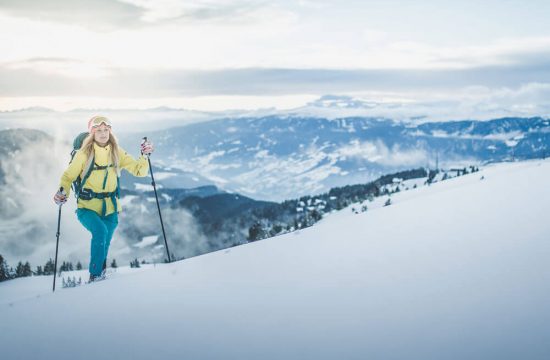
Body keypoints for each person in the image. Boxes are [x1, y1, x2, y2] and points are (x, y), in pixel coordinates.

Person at [53, 115, 154, 282]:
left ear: (110, 131)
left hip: (110, 206)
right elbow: (68, 176)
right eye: (98, 130)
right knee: (100, 232)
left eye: (106, 130)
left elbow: (139, 171)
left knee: (105, 240)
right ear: (92, 132)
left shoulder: (116, 151)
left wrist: (144, 156)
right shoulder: (84, 153)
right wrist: (62, 192)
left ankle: (101, 273)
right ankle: (95, 275)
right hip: (86, 207)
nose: (103, 133)